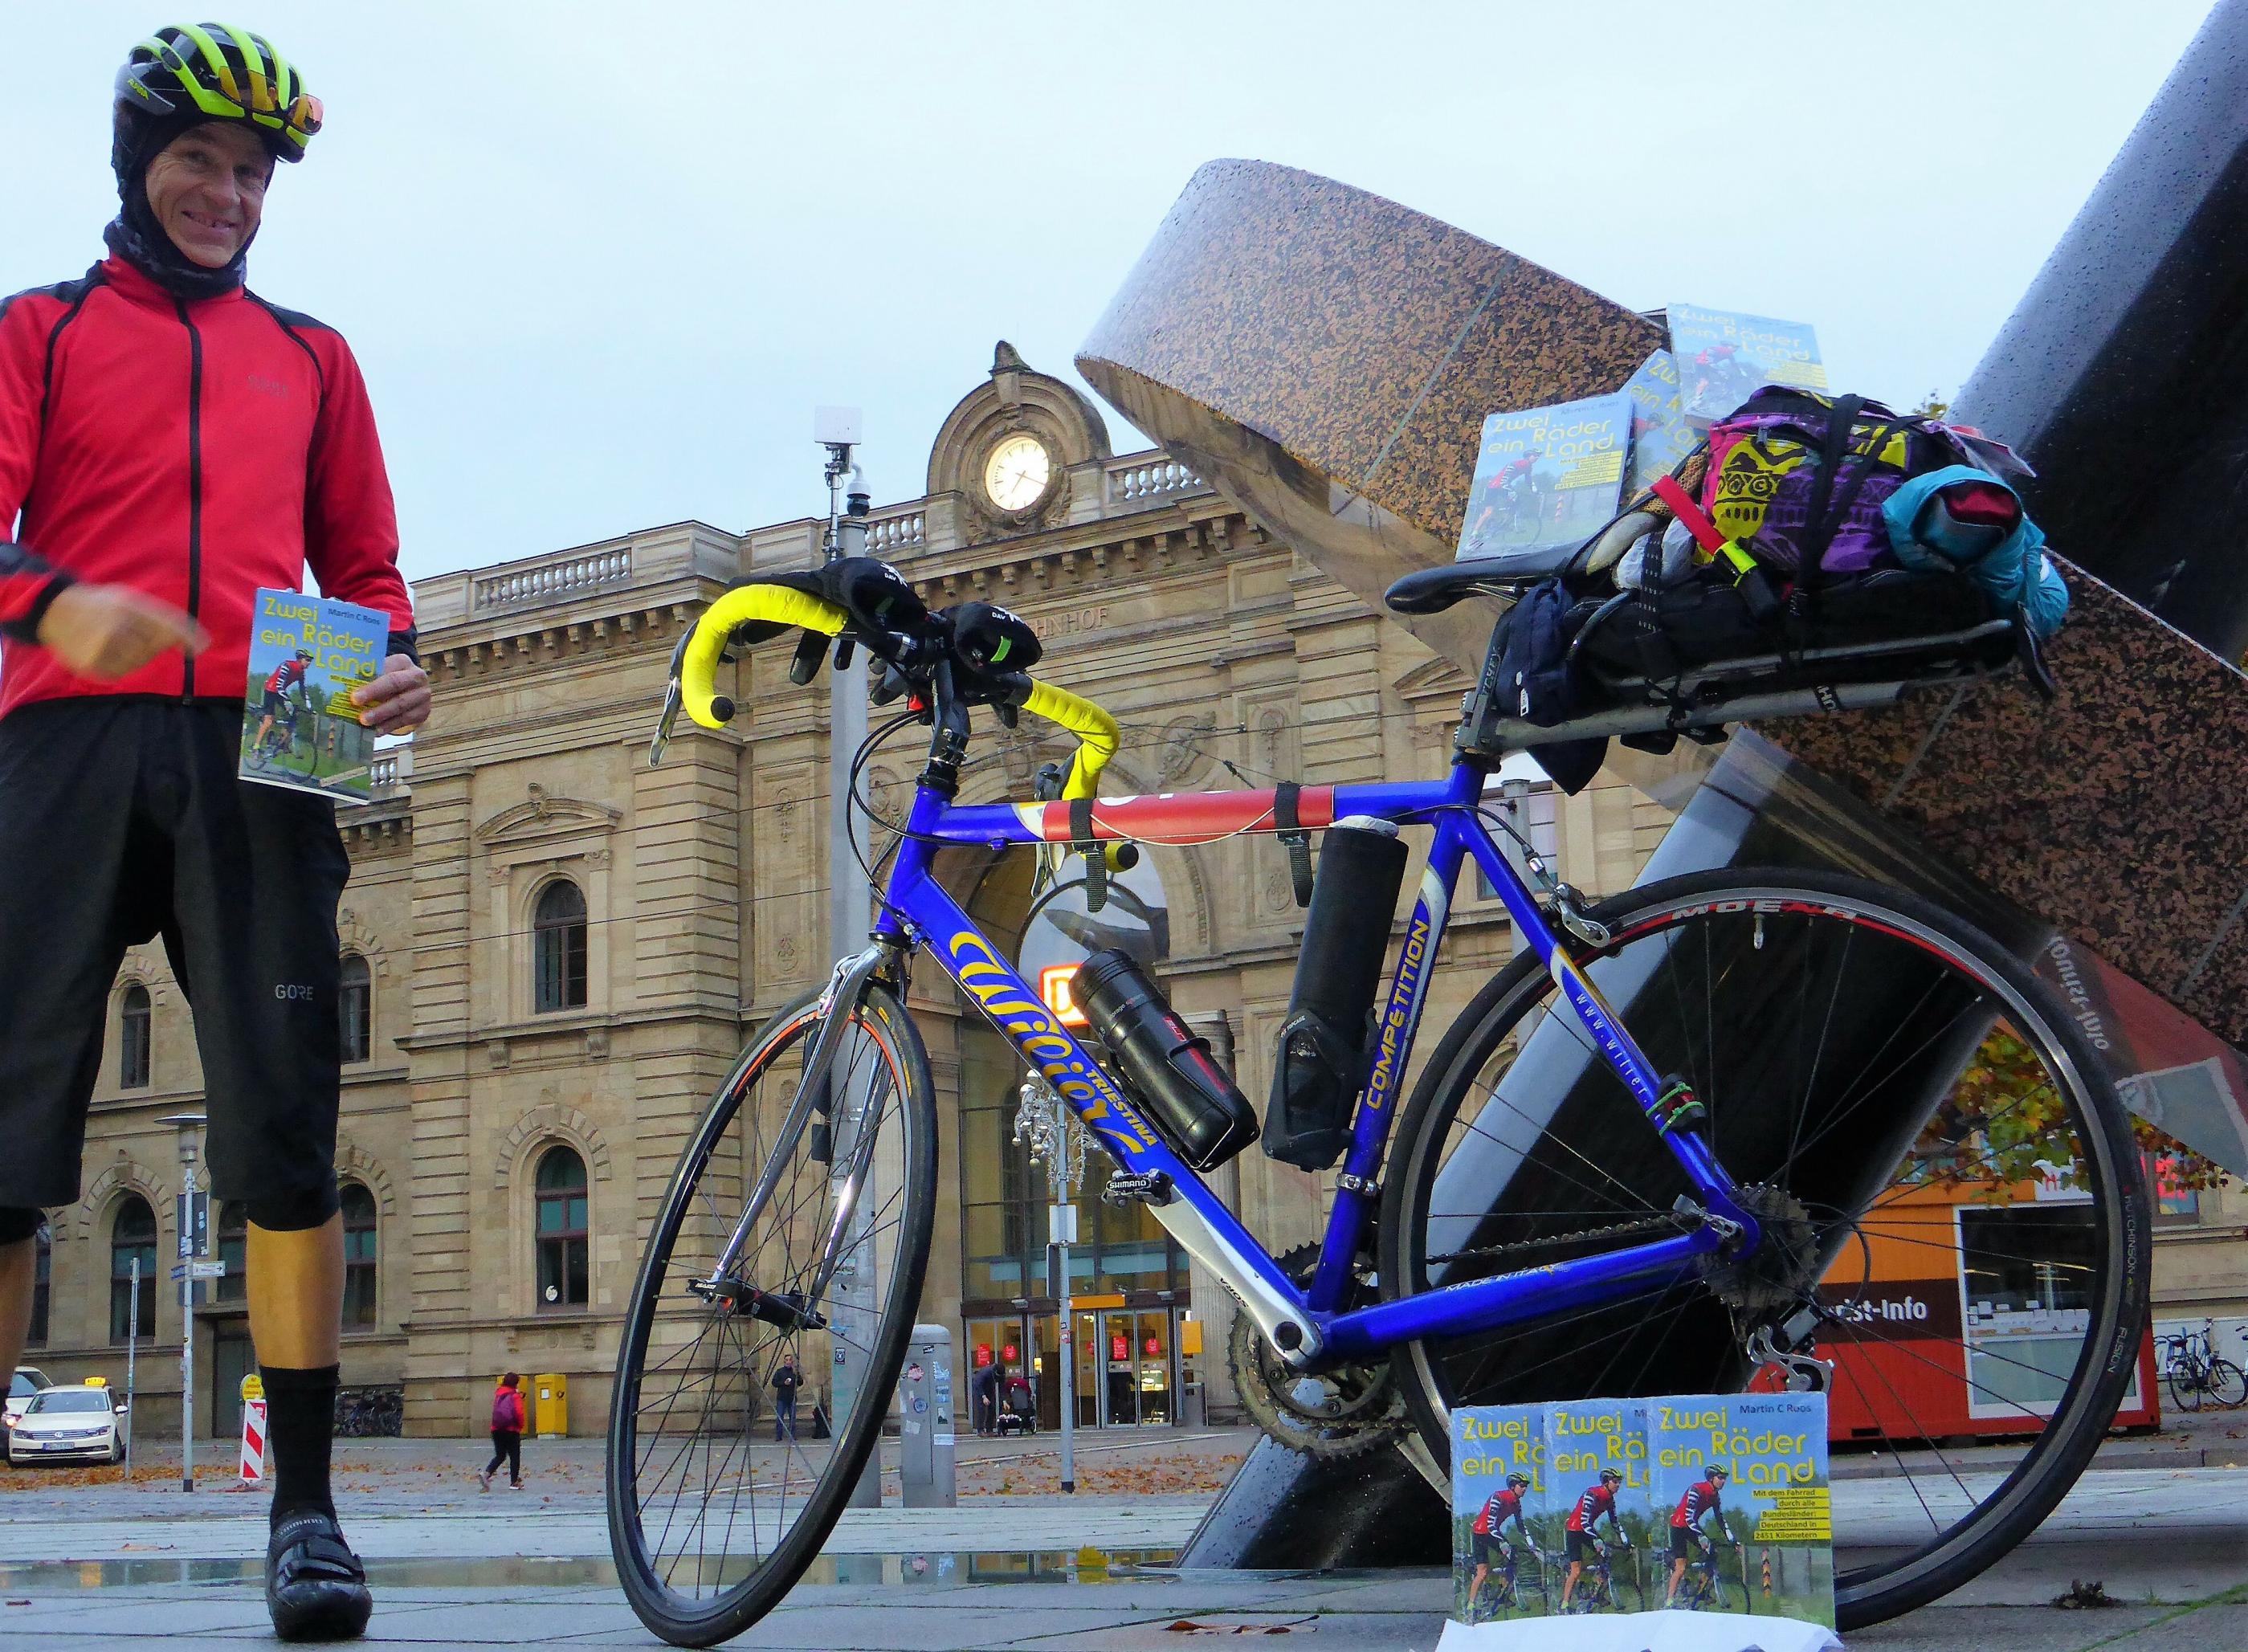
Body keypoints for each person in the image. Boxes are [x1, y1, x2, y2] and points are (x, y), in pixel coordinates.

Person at [0, 23, 429, 1643]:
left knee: (284, 1127)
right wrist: (59, 603)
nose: (227, 194)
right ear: (138, 164)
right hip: (64, 727)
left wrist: (391, 658)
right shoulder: (36, 330)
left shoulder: (313, 356)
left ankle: (307, 1514)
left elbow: (370, 569)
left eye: (251, 174)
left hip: (268, 736)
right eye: (201, 162)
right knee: (7, 1141)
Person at [1560, 1467, 1629, 1611]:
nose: (1618, 1485)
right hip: (1575, 1529)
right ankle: (1565, 1604)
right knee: (1576, 1570)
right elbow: (1584, 1521)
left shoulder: (1610, 1500)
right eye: (1615, 1482)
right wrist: (1597, 1539)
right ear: (1606, 1482)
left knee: (1606, 1558)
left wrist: (1625, 1540)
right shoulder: (1592, 1494)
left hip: (1588, 1531)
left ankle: (1598, 1592)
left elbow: (1615, 1522)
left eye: (1619, 1482)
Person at [1663, 1462, 1731, 1606]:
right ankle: (1669, 1601)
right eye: (1720, 1478)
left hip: (1692, 1526)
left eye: (1725, 1478)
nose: (1724, 1481)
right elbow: (1688, 1517)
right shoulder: (1697, 1489)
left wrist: (1733, 1540)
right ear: (1711, 1478)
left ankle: (1701, 1592)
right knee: (1681, 1567)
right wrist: (1701, 1536)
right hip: (1679, 1526)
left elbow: (1720, 1520)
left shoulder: (1715, 1497)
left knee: (1712, 1552)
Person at [1467, 1471, 1532, 1617]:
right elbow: (1490, 1525)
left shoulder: (1517, 1503)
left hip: (1493, 1534)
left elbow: (1521, 1525)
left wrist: (1531, 1543)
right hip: (1482, 1533)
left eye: (1526, 1486)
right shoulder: (1498, 1497)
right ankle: (1471, 1604)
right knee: (1482, 1572)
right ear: (1513, 1486)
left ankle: (1504, 1594)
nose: (1525, 1489)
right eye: (1522, 1486)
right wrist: (1502, 1541)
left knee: (1513, 1559)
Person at [252, 646, 316, 756]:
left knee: (293, 716)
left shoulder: (301, 673)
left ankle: (282, 743)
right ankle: (256, 747)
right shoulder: (287, 665)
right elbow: (279, 685)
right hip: (271, 690)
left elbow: (302, 690)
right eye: (308, 660)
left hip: (280, 693)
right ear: (300, 659)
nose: (309, 663)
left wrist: (309, 706)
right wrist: (287, 700)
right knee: (269, 721)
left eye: (311, 661)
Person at [479, 1374, 525, 1492]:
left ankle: (487, 1473)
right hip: (511, 1430)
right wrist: (520, 1426)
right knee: (515, 1456)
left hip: (496, 1429)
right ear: (516, 1383)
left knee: (500, 1455)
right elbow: (519, 1413)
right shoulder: (514, 1396)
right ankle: (514, 1482)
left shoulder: (499, 1394)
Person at [770, 1356, 801, 1442]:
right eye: (787, 1360)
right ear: (784, 1361)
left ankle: (793, 1435)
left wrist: (798, 1374)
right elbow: (774, 1383)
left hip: (792, 1398)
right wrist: (783, 1383)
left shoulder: (794, 1372)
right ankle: (779, 1435)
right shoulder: (780, 1372)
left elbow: (800, 1382)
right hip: (782, 1398)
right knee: (780, 1417)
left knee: (793, 1418)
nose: (788, 1362)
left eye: (790, 1360)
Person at [971, 1358, 1000, 1436]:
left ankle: (989, 1429)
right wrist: (983, 1397)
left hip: (989, 1389)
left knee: (992, 1407)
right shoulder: (985, 1372)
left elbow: (1002, 1386)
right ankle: (980, 1430)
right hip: (979, 1389)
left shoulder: (1000, 1373)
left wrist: (1004, 1400)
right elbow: (978, 1384)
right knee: (981, 1410)